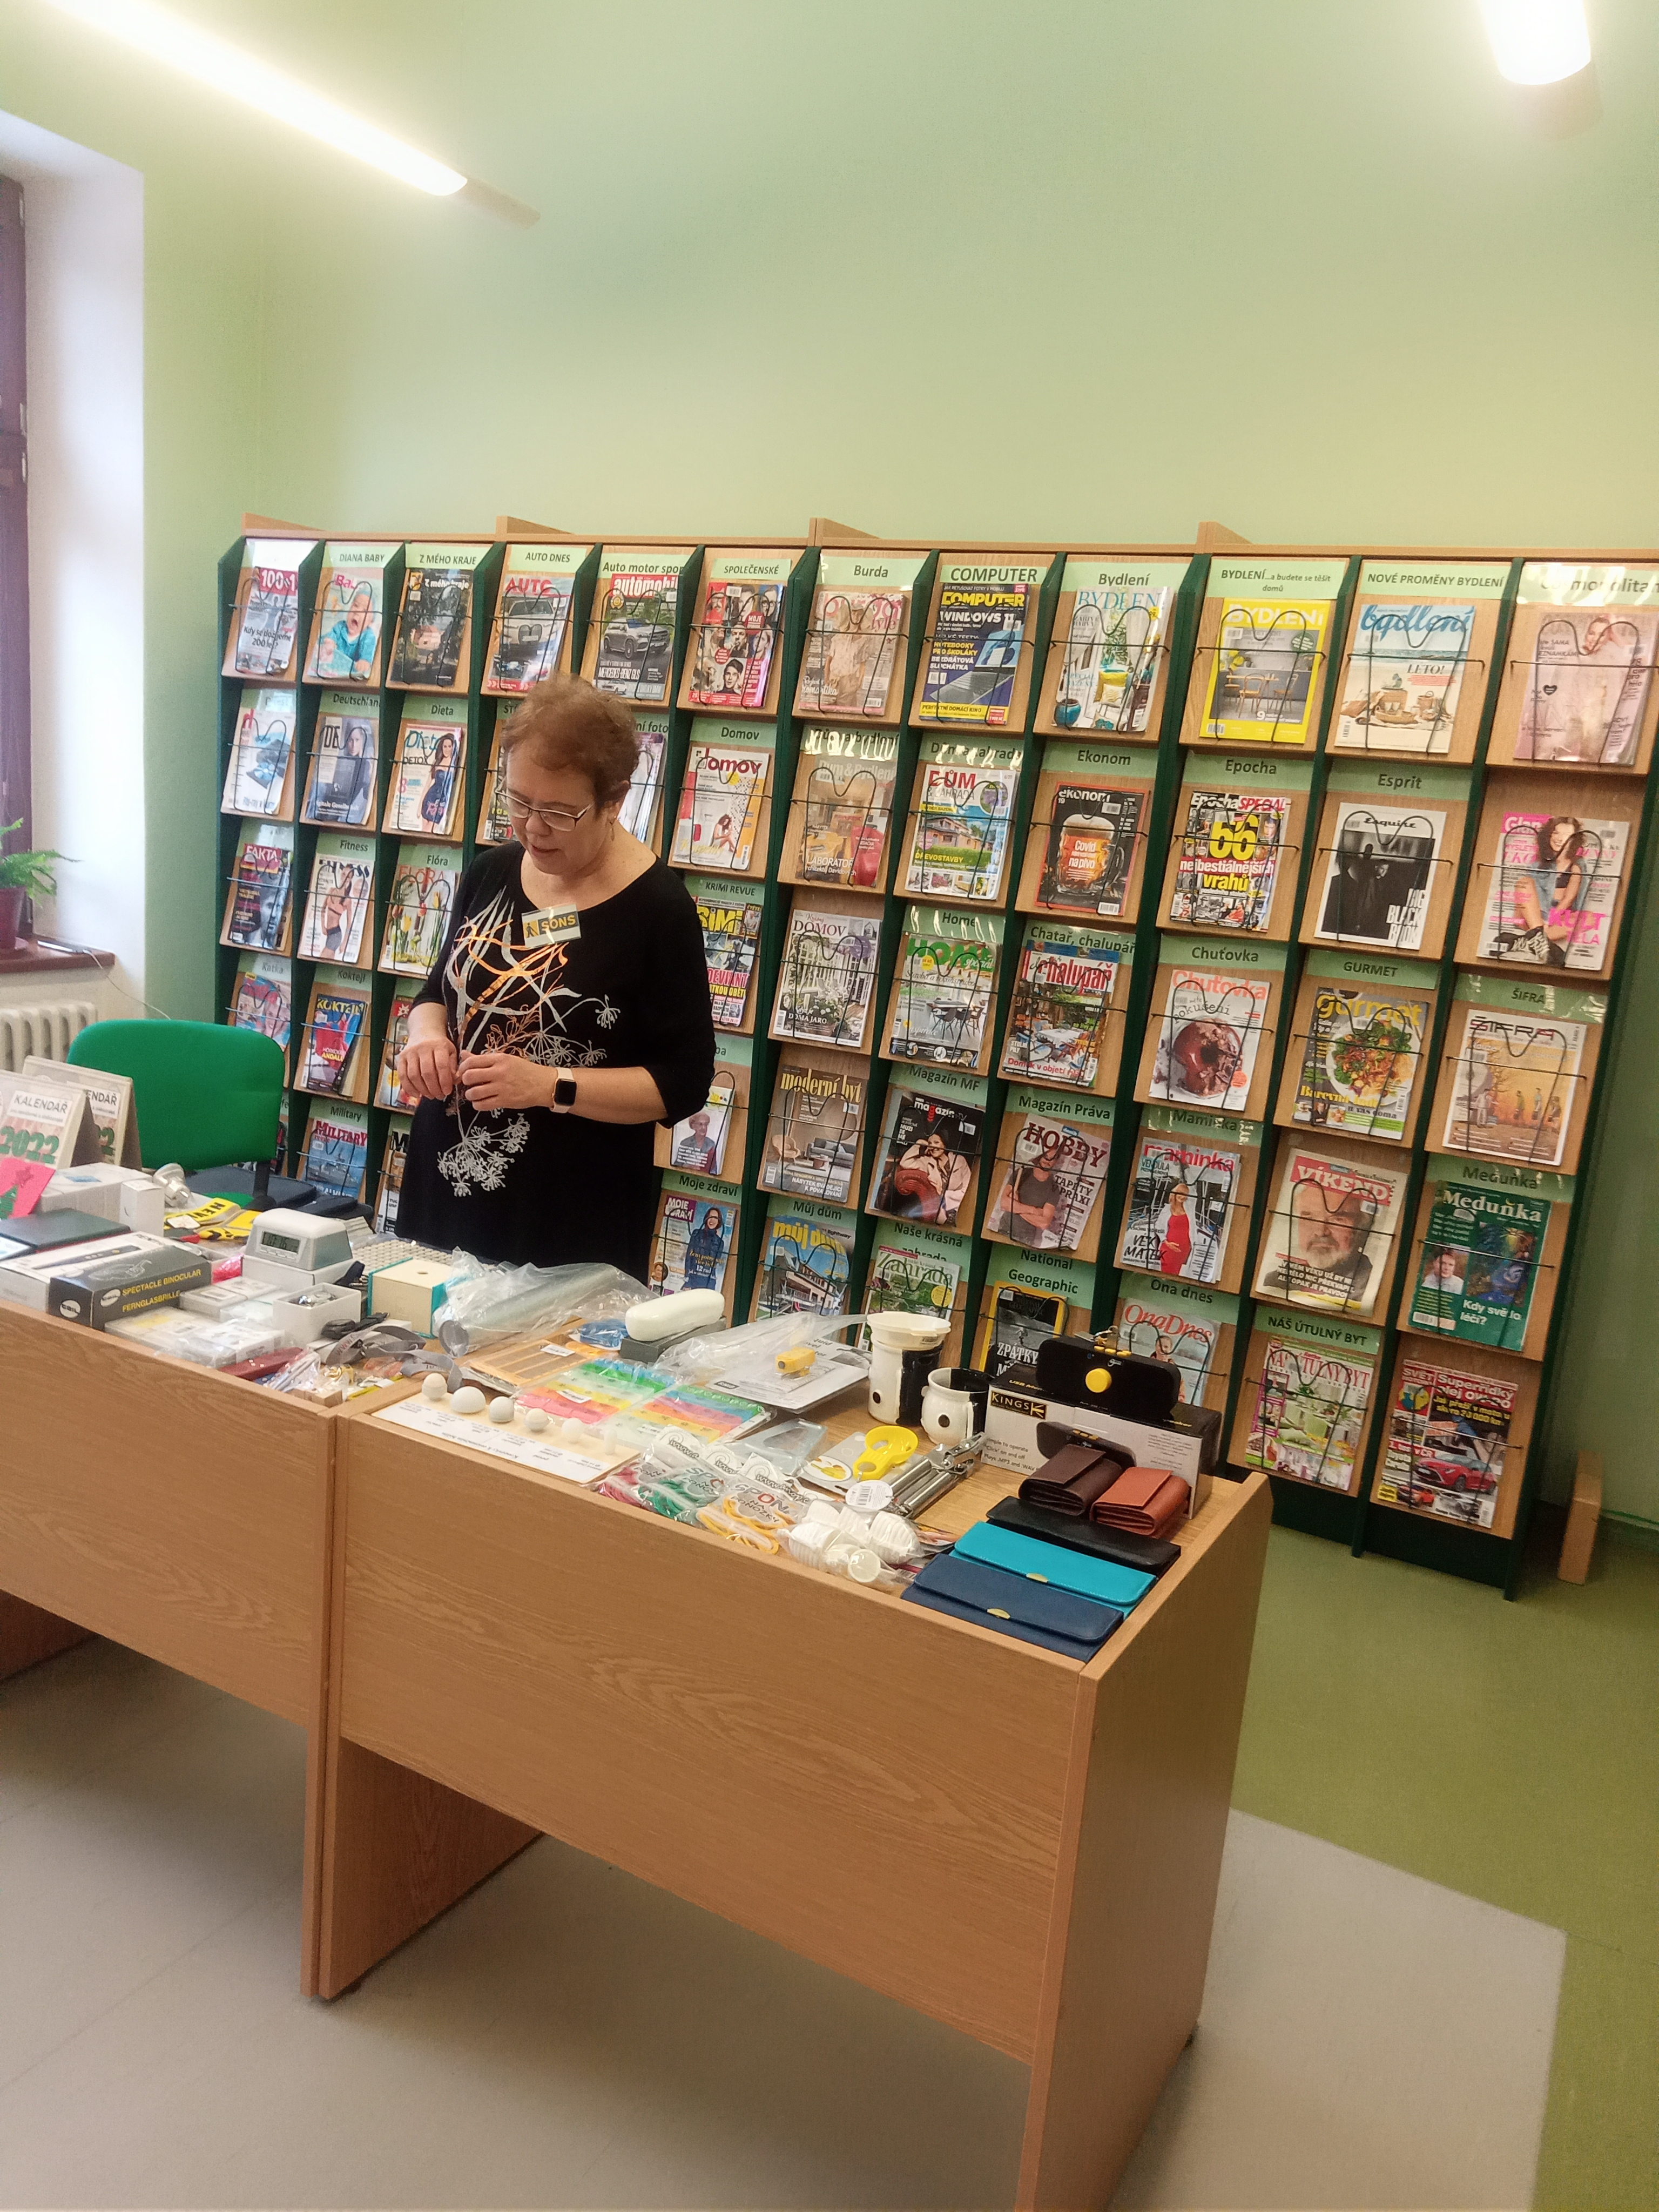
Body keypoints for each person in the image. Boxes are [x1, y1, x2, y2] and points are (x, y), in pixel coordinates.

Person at [395, 673, 715, 1273]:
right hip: (445, 1190)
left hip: (565, 1220)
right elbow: (438, 988)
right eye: (518, 801)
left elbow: (683, 1083)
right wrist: (426, 1037)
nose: (533, 827)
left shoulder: (658, 910)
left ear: (614, 801)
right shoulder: (493, 871)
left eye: (559, 812)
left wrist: (551, 1086)